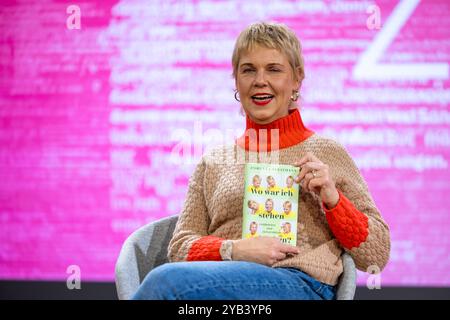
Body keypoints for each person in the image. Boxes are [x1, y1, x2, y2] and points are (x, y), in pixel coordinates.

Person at [132, 21, 390, 300]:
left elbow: (377, 253)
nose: (259, 80)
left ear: (297, 79)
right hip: (223, 288)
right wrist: (234, 249)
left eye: (274, 69)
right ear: (237, 81)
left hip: (297, 283)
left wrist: (333, 200)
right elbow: (181, 246)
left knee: (164, 284)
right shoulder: (214, 162)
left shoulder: (327, 153)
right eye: (248, 70)